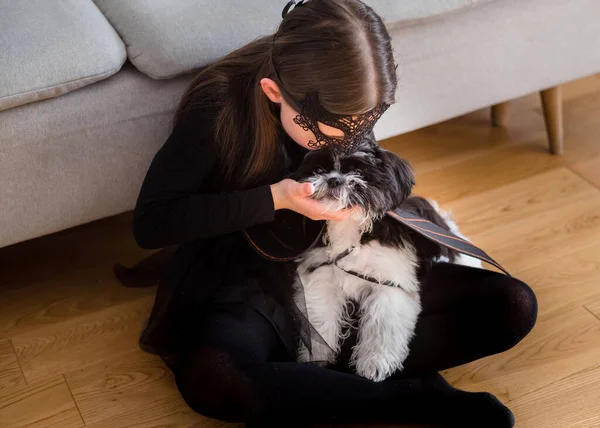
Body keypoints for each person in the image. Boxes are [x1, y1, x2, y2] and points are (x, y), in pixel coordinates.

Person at [130, 1, 537, 426]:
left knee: (513, 305)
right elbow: (153, 222)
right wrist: (276, 198)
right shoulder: (217, 109)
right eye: (328, 134)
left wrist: (364, 200)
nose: (346, 142)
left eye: (358, 129)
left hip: (340, 267)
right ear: (274, 93)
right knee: (216, 378)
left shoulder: (350, 100)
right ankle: (414, 397)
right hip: (245, 282)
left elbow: (371, 172)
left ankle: (320, 381)